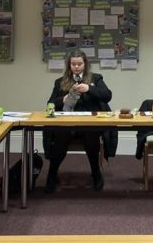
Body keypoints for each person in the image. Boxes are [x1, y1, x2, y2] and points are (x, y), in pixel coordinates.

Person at [44, 50, 113, 192]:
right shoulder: (60, 82)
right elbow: (49, 104)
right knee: (60, 138)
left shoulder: (96, 78)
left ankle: (96, 172)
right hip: (67, 123)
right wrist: (62, 99)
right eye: (73, 64)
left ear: (85, 64)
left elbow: (107, 96)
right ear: (69, 65)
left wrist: (89, 88)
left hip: (88, 123)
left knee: (91, 137)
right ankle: (52, 174)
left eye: (79, 64)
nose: (76, 67)